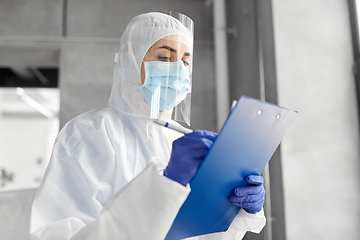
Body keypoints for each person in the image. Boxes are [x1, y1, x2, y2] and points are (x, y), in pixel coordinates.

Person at [30, 12, 266, 240]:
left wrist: (235, 207)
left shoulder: (178, 140)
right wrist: (165, 185)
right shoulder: (89, 132)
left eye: (185, 61)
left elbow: (198, 233)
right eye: (164, 57)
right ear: (130, 61)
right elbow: (62, 234)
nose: (178, 70)